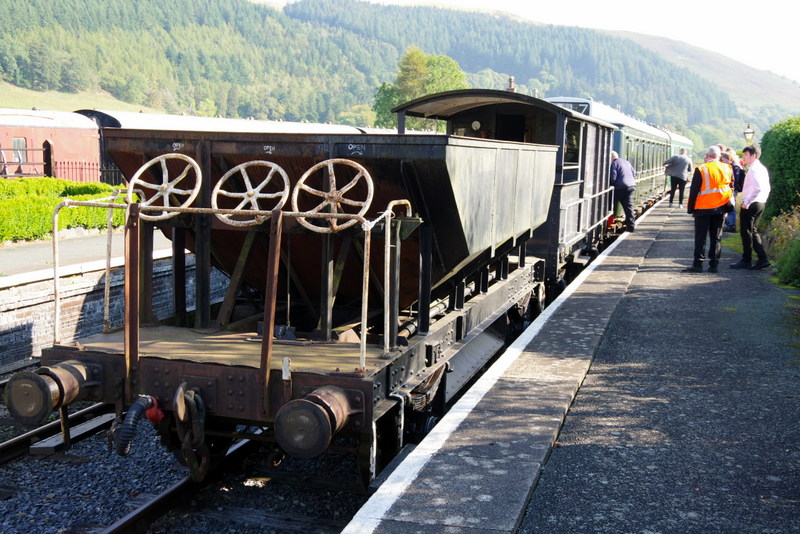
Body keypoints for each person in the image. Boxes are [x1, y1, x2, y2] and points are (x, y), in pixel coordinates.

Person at [683, 145, 733, 273]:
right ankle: (714, 265)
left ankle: (698, 264)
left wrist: (690, 208)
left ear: (707, 156)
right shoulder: (727, 168)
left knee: (701, 237)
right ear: (719, 156)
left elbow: (694, 190)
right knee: (716, 237)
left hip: (703, 208)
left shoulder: (701, 169)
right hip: (721, 207)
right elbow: (730, 187)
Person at [730, 145, 771, 269]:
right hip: (760, 202)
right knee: (752, 231)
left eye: (746, 155)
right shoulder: (760, 168)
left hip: (752, 204)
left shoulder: (754, 169)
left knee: (746, 232)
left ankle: (746, 259)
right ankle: (762, 258)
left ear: (754, 155)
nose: (744, 157)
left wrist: (747, 202)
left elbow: (757, 188)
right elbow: (766, 187)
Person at [610, 151, 636, 232]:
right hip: (631, 186)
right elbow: (634, 173)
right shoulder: (626, 162)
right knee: (628, 206)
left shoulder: (614, 164)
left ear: (611, 157)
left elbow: (613, 178)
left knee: (609, 202)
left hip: (620, 187)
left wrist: (609, 184)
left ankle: (609, 220)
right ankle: (631, 226)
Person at [721, 149, 744, 232]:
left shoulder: (735, 167)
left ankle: (732, 225)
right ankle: (729, 224)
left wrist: (731, 188)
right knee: (729, 207)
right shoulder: (732, 166)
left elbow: (735, 179)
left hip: (733, 190)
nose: (723, 161)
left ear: (730, 159)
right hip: (730, 189)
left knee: (731, 207)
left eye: (725, 159)